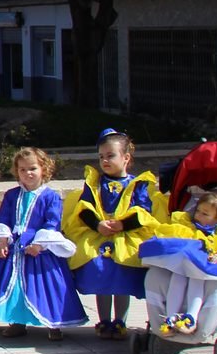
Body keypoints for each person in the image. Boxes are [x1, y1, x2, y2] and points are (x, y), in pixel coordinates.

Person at [0, 147, 85, 340]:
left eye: (32, 168)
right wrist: (2, 240)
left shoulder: (50, 196)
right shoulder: (12, 195)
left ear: (43, 169)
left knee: (45, 285)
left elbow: (52, 222)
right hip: (14, 247)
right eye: (22, 169)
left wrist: (40, 244)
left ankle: (53, 323)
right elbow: (3, 219)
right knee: (14, 285)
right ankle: (17, 322)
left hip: (39, 250)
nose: (27, 173)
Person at [64, 128, 154, 340]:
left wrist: (124, 224)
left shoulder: (137, 184)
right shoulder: (94, 183)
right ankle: (104, 320)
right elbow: (83, 209)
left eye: (110, 156)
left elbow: (144, 211)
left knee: (121, 274)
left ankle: (120, 320)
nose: (105, 161)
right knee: (100, 272)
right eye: (101, 156)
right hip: (99, 235)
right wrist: (97, 224)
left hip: (125, 237)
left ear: (126, 158)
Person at [147, 191, 217, 336]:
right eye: (198, 211)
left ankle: (191, 318)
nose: (198, 215)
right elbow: (173, 234)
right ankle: (170, 317)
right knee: (177, 279)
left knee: (196, 282)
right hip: (184, 264)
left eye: (205, 214)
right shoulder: (188, 226)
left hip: (203, 268)